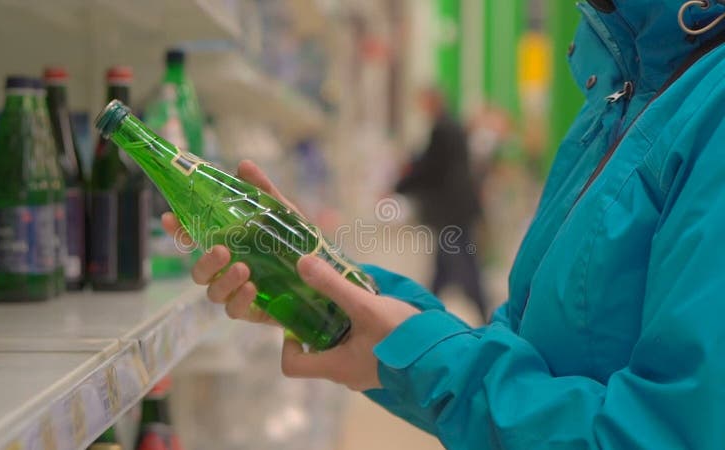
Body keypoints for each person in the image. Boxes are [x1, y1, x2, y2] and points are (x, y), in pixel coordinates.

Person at [162, 1, 725, 448]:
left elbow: (663, 434)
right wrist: (330, 281)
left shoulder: (704, 107)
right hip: (452, 216)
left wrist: (420, 356)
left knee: (459, 269)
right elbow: (523, 354)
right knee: (462, 277)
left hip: (454, 215)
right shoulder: (617, 96)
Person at [395, 88, 489, 318]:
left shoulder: (442, 129)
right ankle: (427, 308)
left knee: (461, 263)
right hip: (458, 208)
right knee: (447, 263)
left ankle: (480, 310)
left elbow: (431, 168)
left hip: (451, 211)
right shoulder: (452, 126)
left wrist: (400, 185)